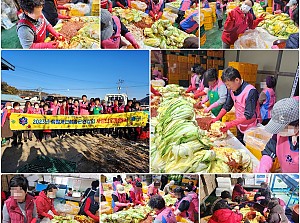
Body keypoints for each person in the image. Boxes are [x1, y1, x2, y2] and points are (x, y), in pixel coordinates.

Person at [211, 67, 261, 144]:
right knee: (240, 143)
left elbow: (248, 114)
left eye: (228, 85)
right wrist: (217, 118)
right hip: (239, 123)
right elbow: (227, 105)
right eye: (226, 85)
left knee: (248, 147)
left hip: (251, 126)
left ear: (237, 80)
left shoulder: (251, 91)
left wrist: (230, 124)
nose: (228, 87)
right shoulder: (232, 90)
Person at [257, 97, 299, 173]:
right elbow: (269, 150)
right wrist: (264, 167)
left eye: (282, 128)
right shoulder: (279, 134)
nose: (278, 132)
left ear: (297, 125)